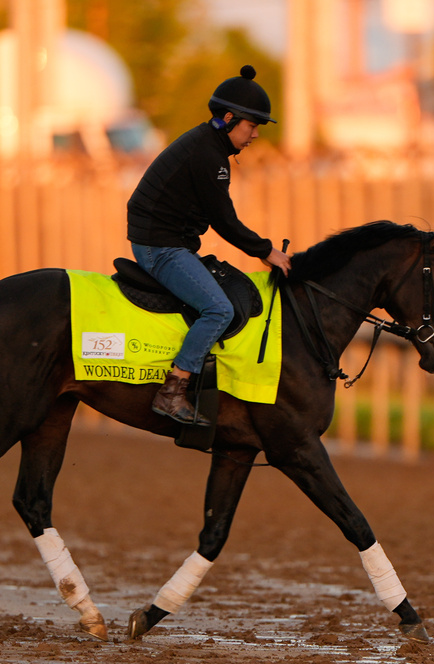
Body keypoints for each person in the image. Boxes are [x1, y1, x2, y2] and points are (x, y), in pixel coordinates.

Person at [127, 65, 292, 426]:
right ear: (229, 119)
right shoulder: (209, 156)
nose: (254, 136)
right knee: (219, 309)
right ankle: (172, 392)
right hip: (161, 247)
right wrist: (267, 251)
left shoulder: (205, 144)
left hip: (170, 242)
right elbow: (225, 221)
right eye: (252, 126)